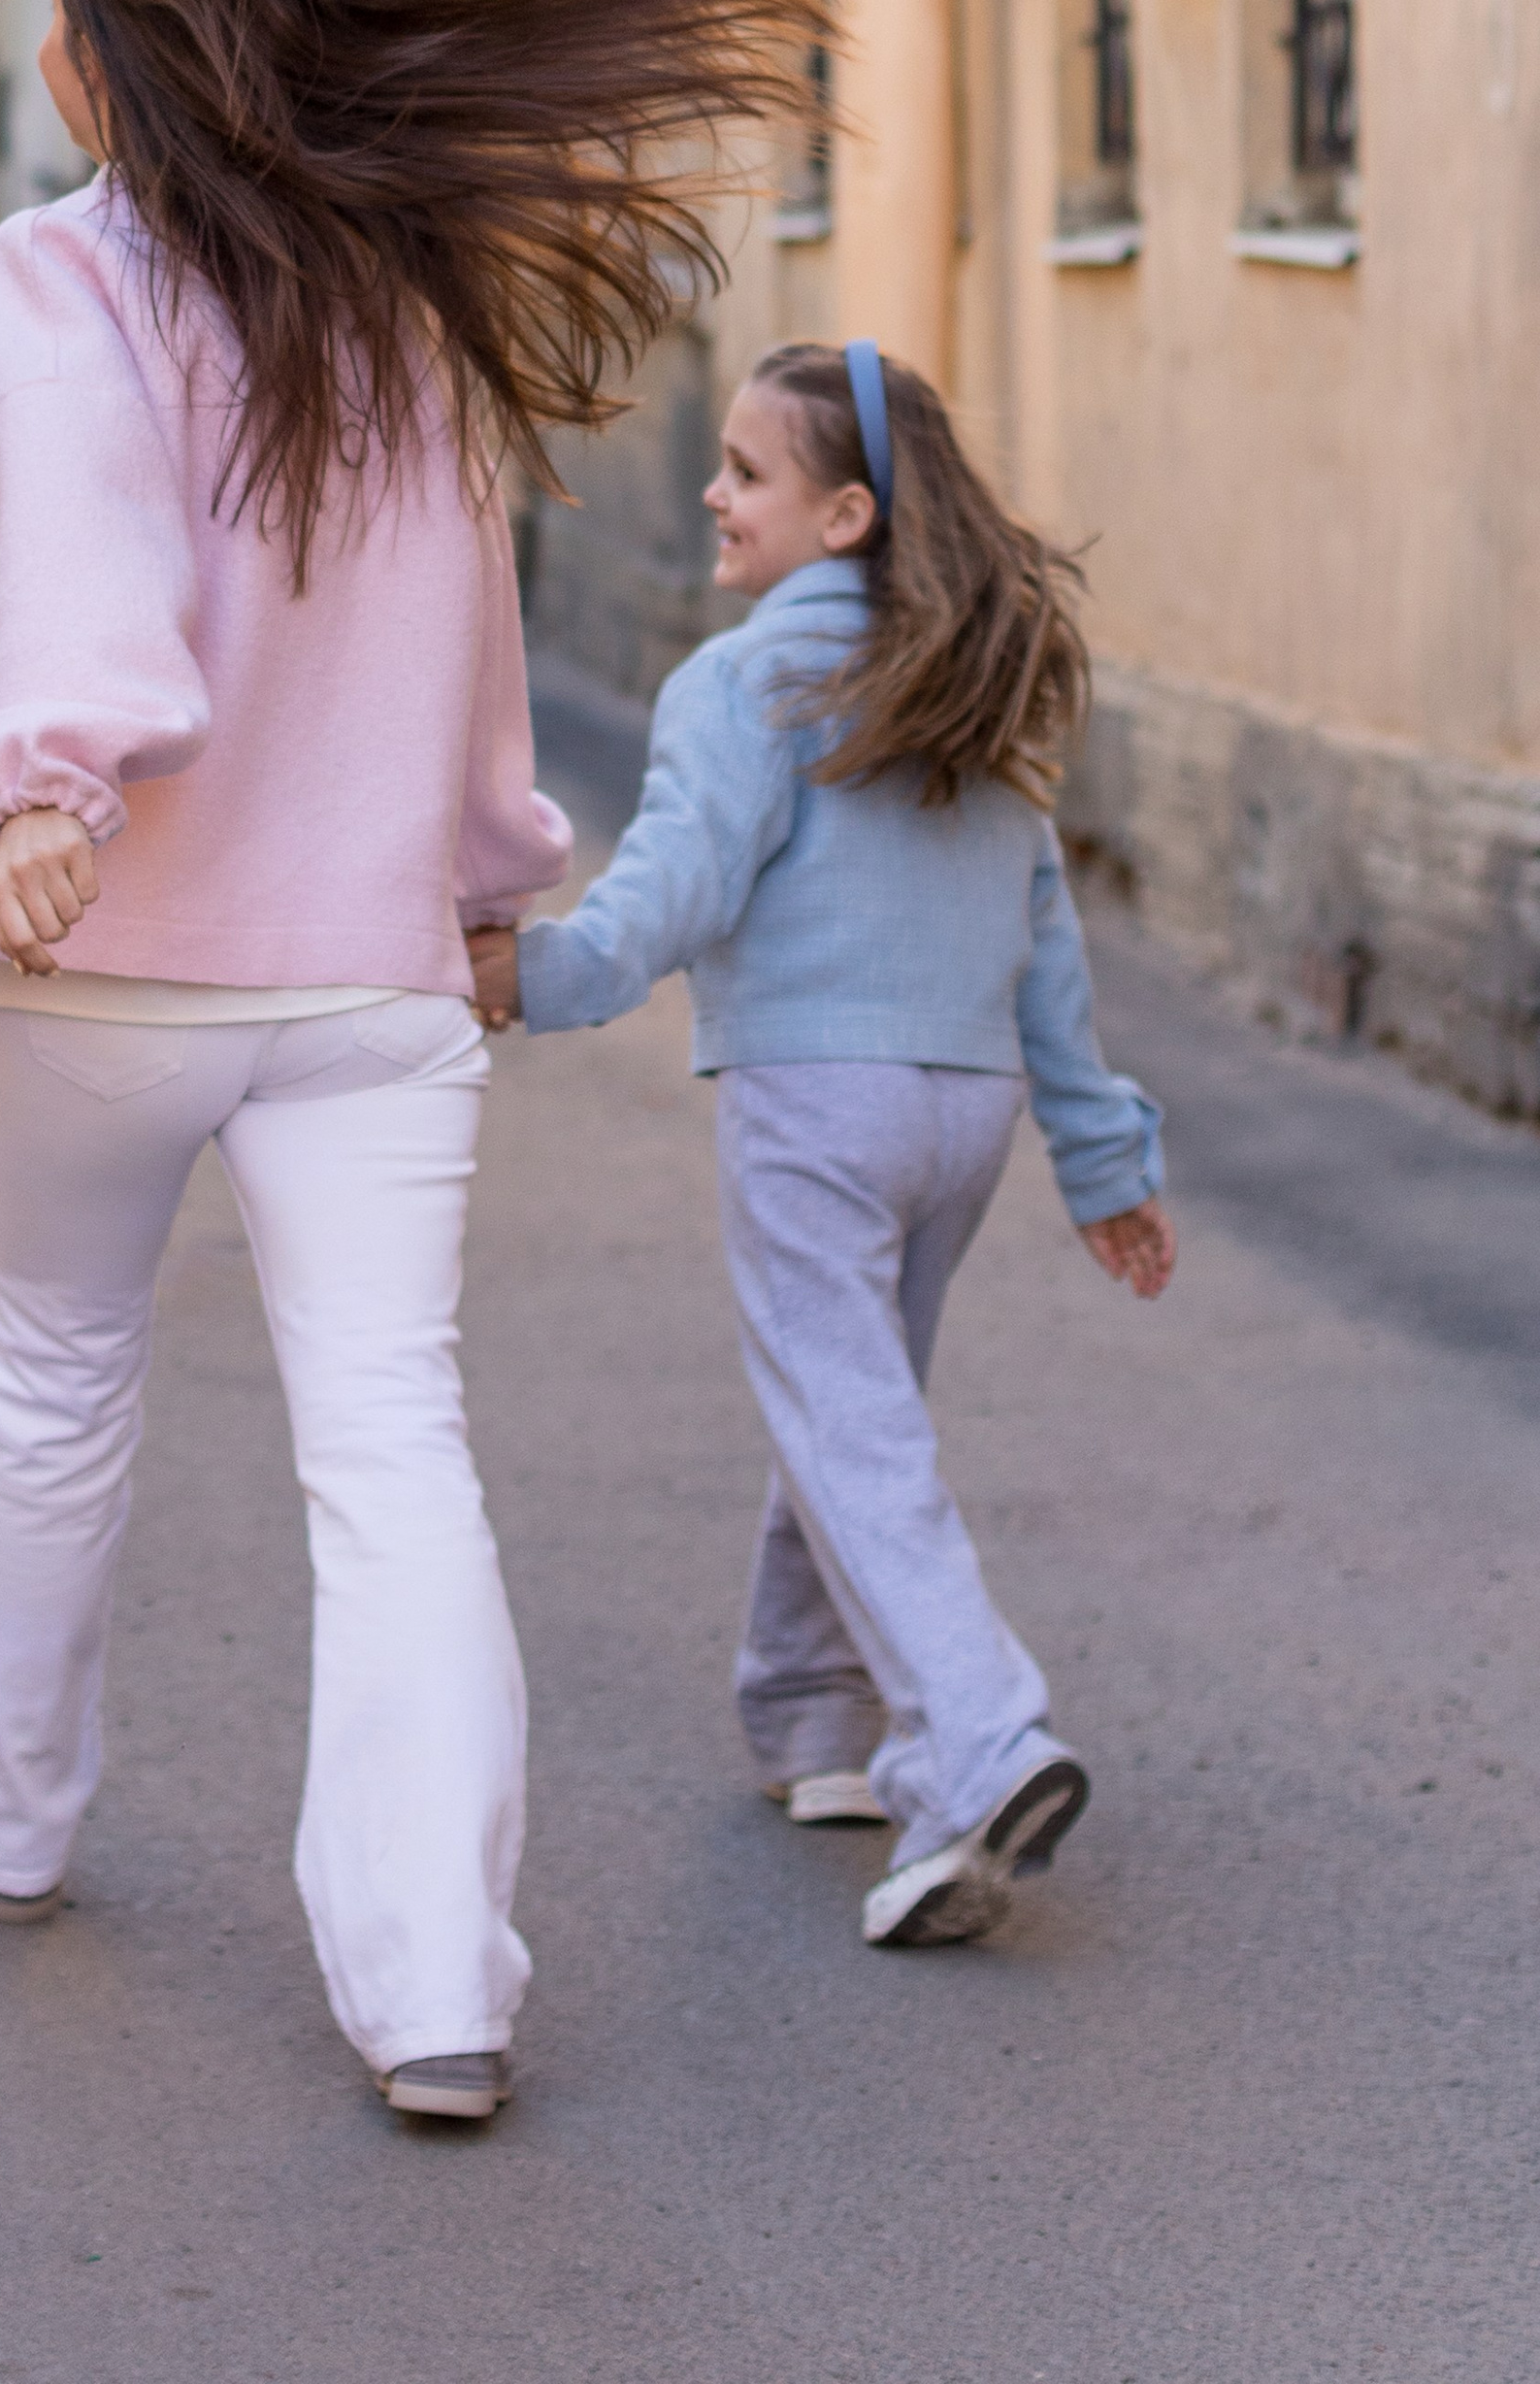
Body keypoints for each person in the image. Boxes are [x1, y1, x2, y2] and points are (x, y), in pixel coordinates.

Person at [0, 0, 818, 2118]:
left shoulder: (59, 268)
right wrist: (489, 877)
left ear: (108, 66)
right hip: (375, 977)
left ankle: (7, 1813)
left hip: (99, 952)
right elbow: (466, 622)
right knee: (393, 1448)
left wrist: (57, 780)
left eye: (68, 37)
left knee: (53, 1370)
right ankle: (434, 1986)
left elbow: (85, 525)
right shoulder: (403, 289)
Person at [470, 337, 1173, 1953]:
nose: (715, 495)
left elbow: (680, 881)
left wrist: (542, 974)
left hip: (821, 1107)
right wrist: (1104, 1162)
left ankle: (981, 1745)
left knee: (852, 1427)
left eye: (748, 473)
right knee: (856, 1408)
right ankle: (810, 1718)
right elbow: (1047, 940)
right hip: (966, 1112)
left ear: (845, 515)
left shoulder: (743, 683)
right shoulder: (973, 678)